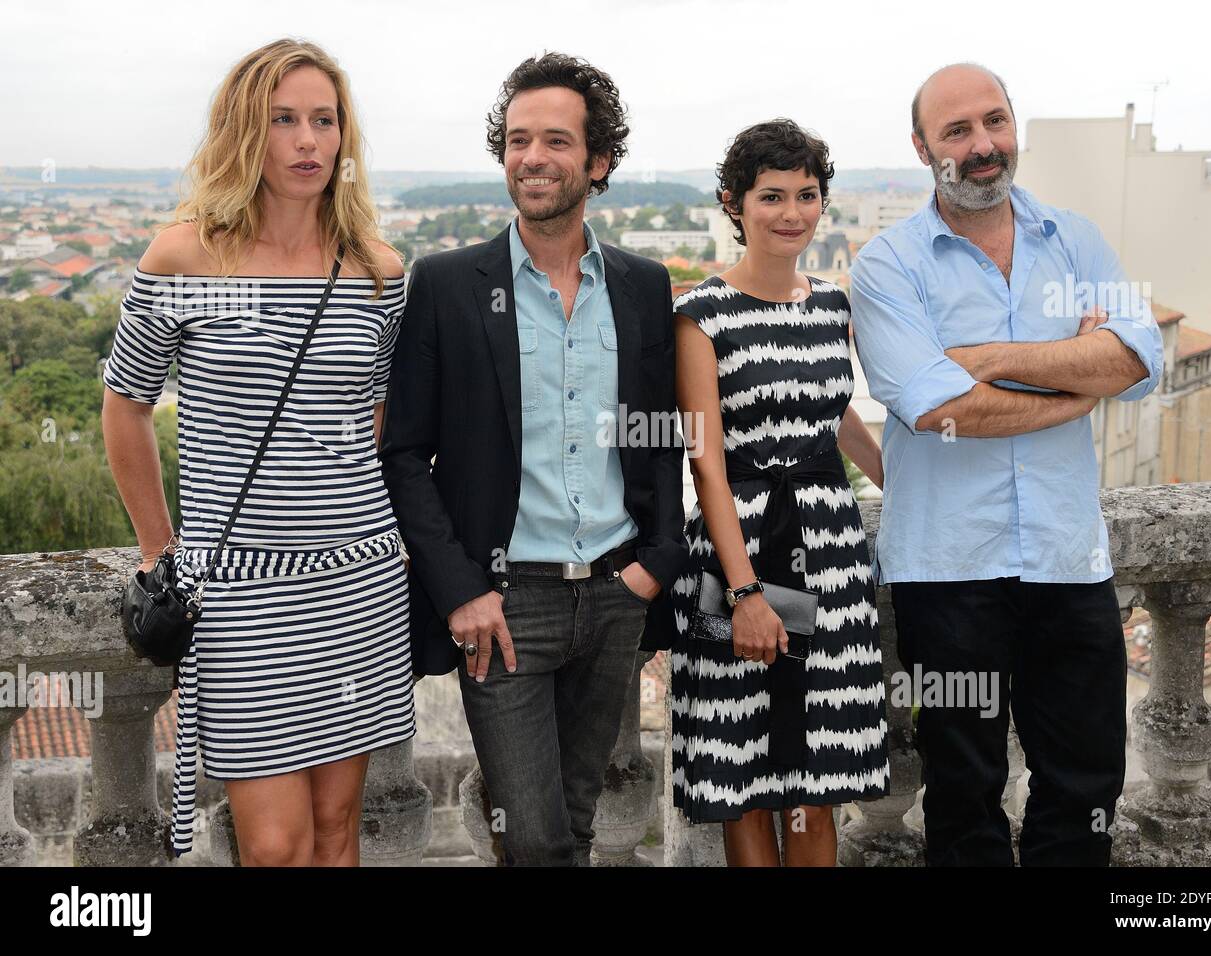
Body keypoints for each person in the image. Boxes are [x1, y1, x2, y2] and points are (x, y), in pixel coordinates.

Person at [101, 39, 414, 865]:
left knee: (339, 829)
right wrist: (161, 550)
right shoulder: (182, 256)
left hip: (355, 576)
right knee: (275, 847)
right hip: (240, 592)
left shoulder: (379, 270)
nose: (309, 141)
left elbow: (376, 419)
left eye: (324, 120)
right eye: (285, 120)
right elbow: (125, 407)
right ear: (247, 132)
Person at [851, 63, 1165, 866]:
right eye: (957, 131)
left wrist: (987, 357)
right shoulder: (888, 265)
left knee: (1086, 781)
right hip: (947, 568)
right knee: (963, 787)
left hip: (1067, 558)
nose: (983, 145)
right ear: (922, 147)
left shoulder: (1076, 237)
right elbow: (939, 407)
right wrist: (1071, 377)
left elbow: (1137, 359)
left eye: (994, 121)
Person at [380, 52, 687, 866]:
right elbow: (405, 453)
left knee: (578, 827)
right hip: (505, 606)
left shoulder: (643, 284)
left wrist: (658, 561)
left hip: (619, 595)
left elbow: (661, 437)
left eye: (556, 140)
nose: (532, 158)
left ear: (599, 161)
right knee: (539, 839)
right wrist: (461, 591)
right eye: (518, 140)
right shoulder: (446, 283)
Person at [661, 119, 889, 866]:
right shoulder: (702, 316)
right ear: (735, 204)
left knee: (821, 780)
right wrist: (744, 592)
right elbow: (707, 466)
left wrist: (899, 481)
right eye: (772, 196)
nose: (792, 212)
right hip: (743, 551)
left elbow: (833, 412)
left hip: (831, 556)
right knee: (745, 781)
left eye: (807, 195)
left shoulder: (832, 306)